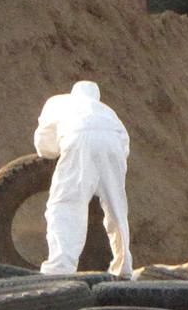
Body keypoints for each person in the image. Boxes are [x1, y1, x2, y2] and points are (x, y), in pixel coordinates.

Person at [34, 80, 132, 277]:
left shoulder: (57, 102)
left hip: (79, 139)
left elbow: (43, 142)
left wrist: (55, 153)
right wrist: (110, 169)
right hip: (113, 145)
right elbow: (124, 143)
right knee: (116, 209)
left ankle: (60, 267)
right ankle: (124, 268)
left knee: (66, 205)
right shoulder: (107, 111)